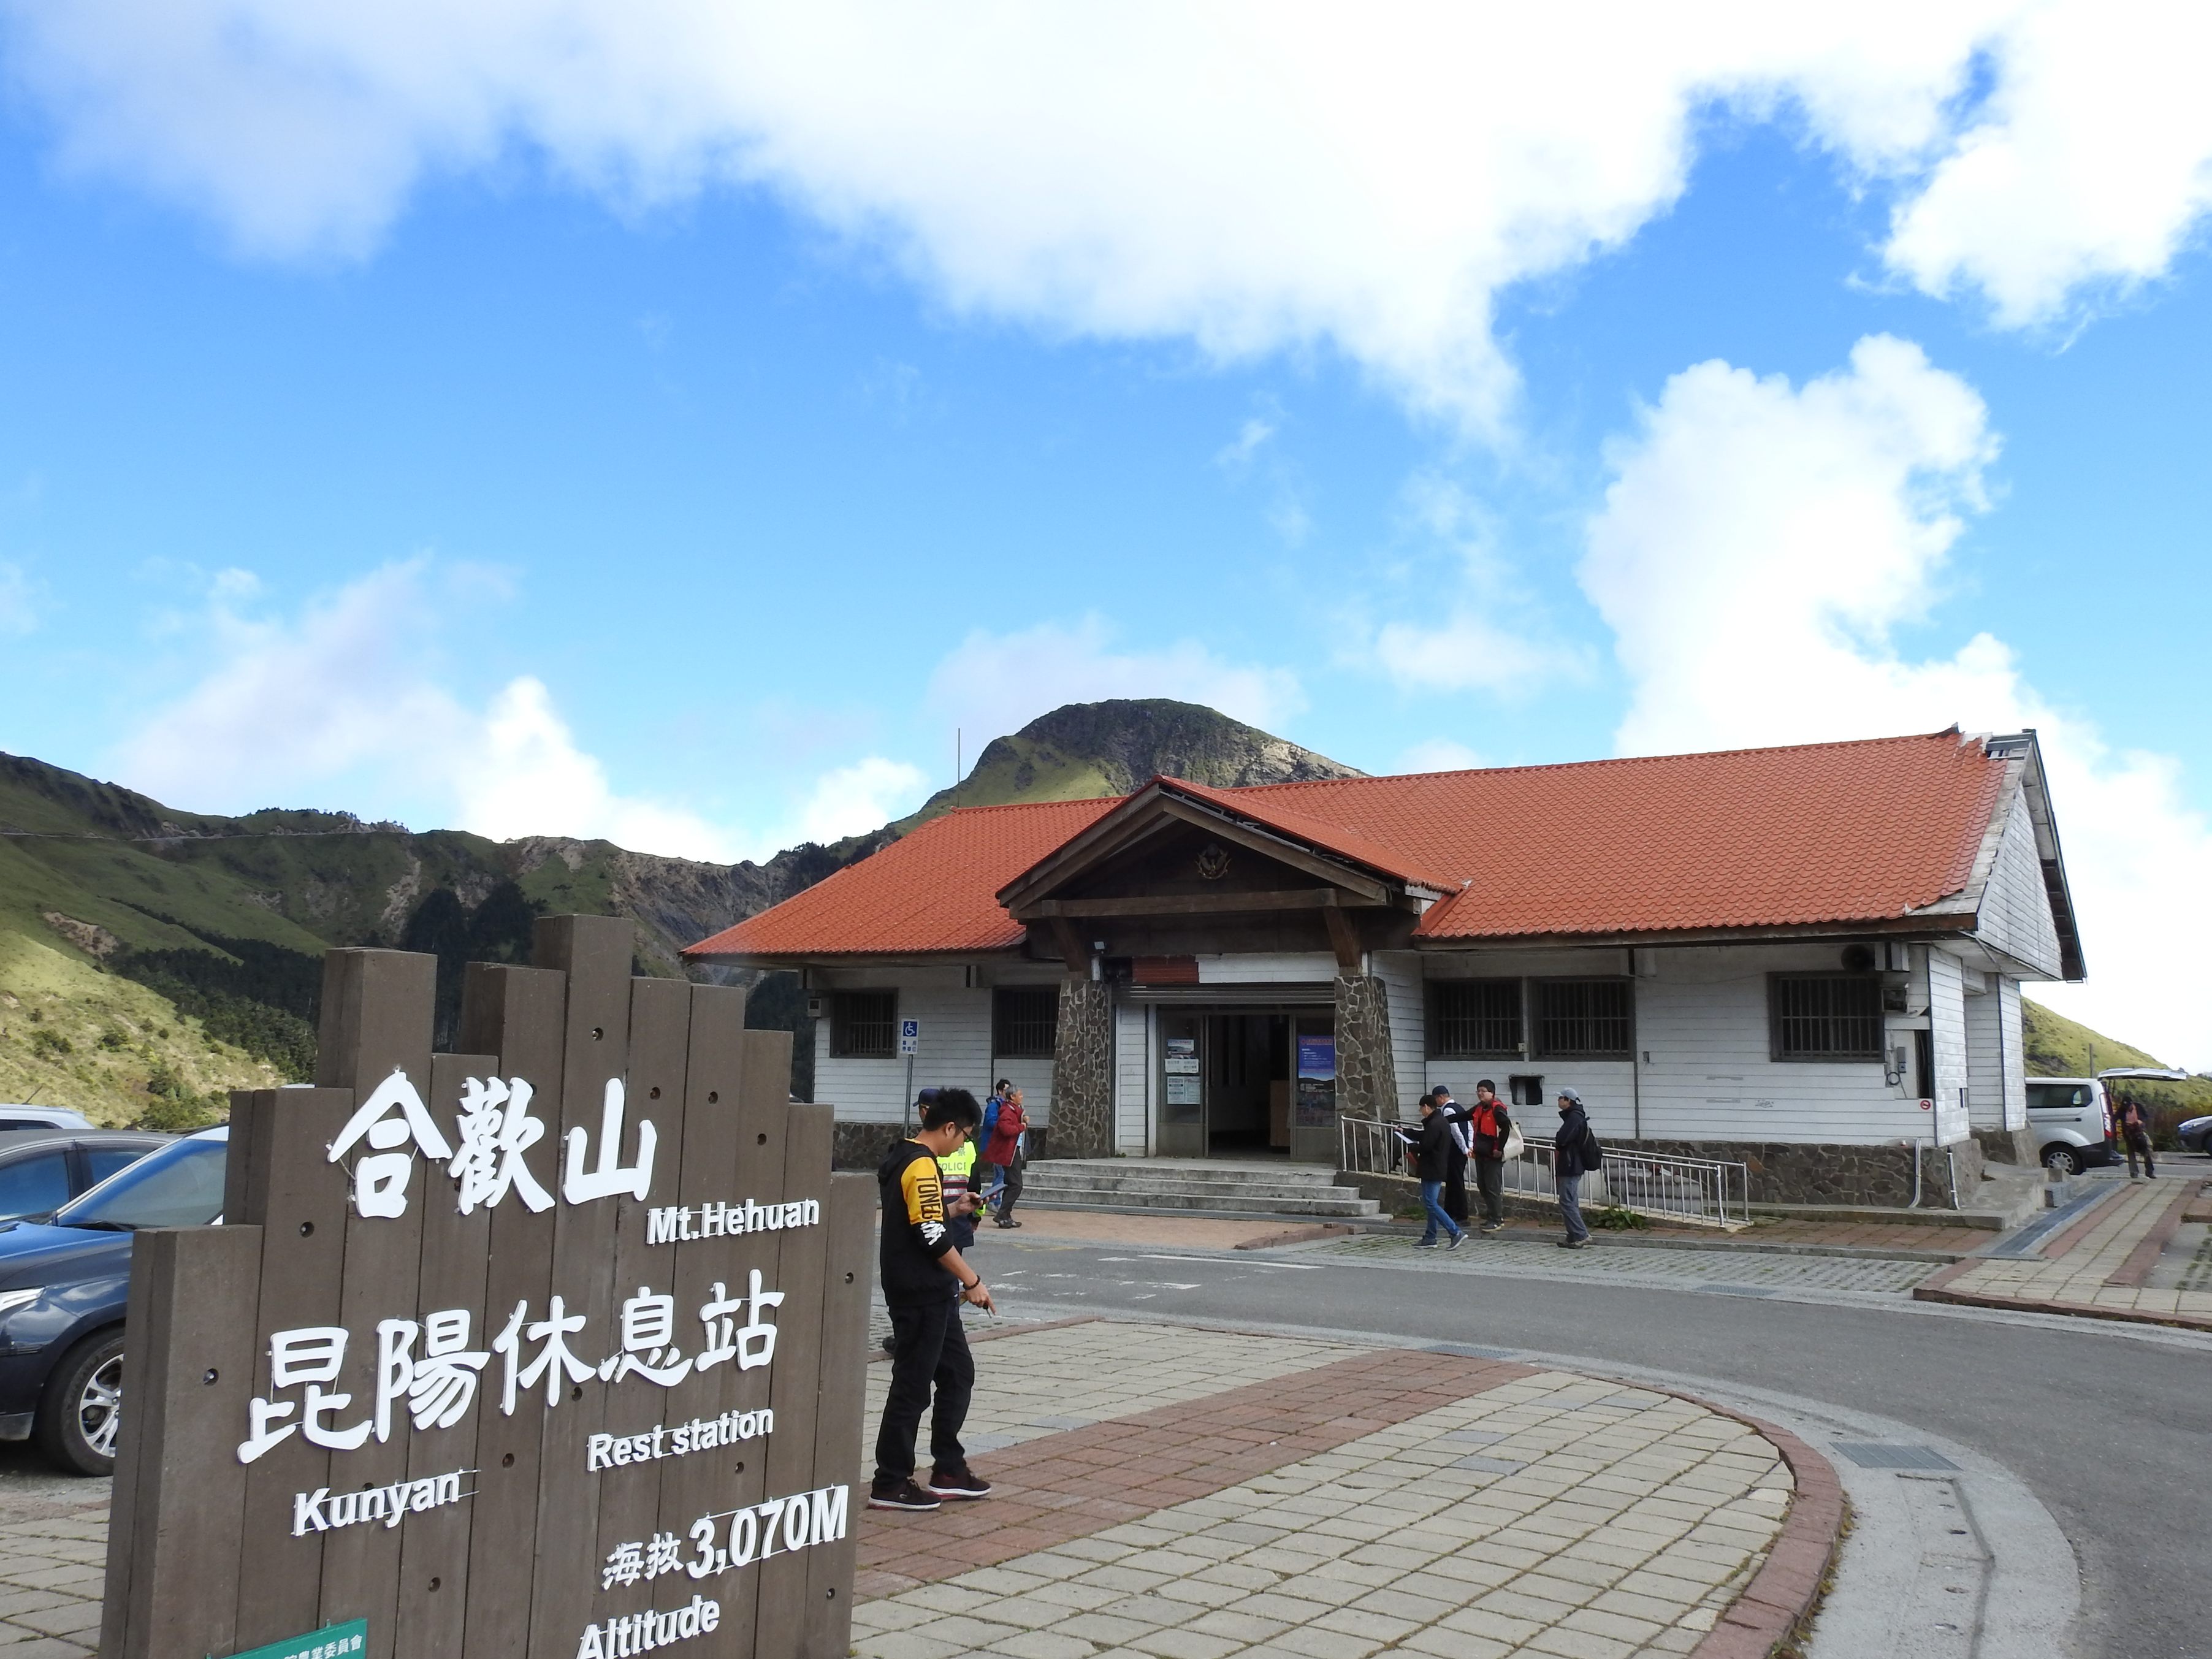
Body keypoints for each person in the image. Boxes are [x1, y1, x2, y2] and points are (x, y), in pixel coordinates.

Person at [871, 1087, 998, 1512]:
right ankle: (890, 1481)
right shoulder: (921, 1164)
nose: (964, 1144)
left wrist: (956, 1209)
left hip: (931, 1292)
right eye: (964, 1135)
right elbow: (929, 1236)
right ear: (948, 1127)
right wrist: (972, 1280)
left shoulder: (907, 1158)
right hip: (920, 1292)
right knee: (912, 1386)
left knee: (958, 1373)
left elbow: (922, 1219)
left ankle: (949, 1469)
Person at [1407, 1093, 1466, 1249]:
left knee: (1431, 1203)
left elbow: (1426, 1145)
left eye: (1421, 1108)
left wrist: (1412, 1146)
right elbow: (1426, 1137)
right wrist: (1408, 1132)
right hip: (1435, 1167)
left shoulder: (1434, 1124)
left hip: (1432, 1168)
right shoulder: (1439, 1121)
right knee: (1430, 1203)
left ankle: (1454, 1232)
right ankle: (1430, 1237)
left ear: (1427, 1107)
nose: (1421, 1111)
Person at [1467, 1079, 1514, 1234]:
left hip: (1492, 1155)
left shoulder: (1497, 1109)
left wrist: (1499, 1149)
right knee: (1483, 1186)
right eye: (1478, 1090)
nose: (1480, 1093)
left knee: (1492, 1187)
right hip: (1481, 1153)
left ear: (1492, 1093)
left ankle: (1497, 1219)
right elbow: (1465, 1115)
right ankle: (1491, 1216)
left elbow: (1506, 1127)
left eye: (1483, 1090)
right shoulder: (1479, 1108)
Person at [1553, 1086, 1598, 1250]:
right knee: (1570, 1201)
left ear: (1567, 1101)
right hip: (1572, 1164)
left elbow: (1562, 1139)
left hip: (1571, 1164)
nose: (1558, 1101)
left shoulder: (1574, 1117)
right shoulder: (1576, 1116)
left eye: (1560, 1098)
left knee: (1567, 1201)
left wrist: (1559, 1139)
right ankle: (1573, 1235)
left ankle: (1581, 1234)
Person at [983, 1083, 1029, 1228]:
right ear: (1012, 1097)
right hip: (1008, 1153)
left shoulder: (1013, 1110)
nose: (1022, 1097)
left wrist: (1022, 1119)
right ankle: (1002, 1213)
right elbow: (1006, 1130)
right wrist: (1022, 1126)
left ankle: (1005, 1217)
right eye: (1020, 1095)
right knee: (1016, 1185)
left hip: (1013, 1151)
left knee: (1011, 1184)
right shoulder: (1007, 1111)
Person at [1433, 1085, 1471, 1228]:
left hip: (1456, 1152)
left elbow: (1456, 1132)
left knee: (1456, 1182)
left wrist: (1464, 1148)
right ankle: (1450, 1212)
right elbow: (1469, 1127)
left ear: (1440, 1098)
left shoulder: (1448, 1110)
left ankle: (1461, 1214)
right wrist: (1470, 1145)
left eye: (1436, 1100)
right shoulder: (1459, 1107)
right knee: (1453, 1182)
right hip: (1461, 1150)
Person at [2115, 1095, 2157, 1181]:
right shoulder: (2122, 1110)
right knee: (2131, 1153)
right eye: (2125, 1107)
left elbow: (2146, 1116)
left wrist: (2141, 1121)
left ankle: (2150, 1171)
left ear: (2132, 1104)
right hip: (2129, 1133)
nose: (2127, 1108)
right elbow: (2114, 1118)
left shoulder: (2138, 1107)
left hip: (2139, 1131)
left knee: (2147, 1151)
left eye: (2129, 1107)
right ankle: (2134, 1172)